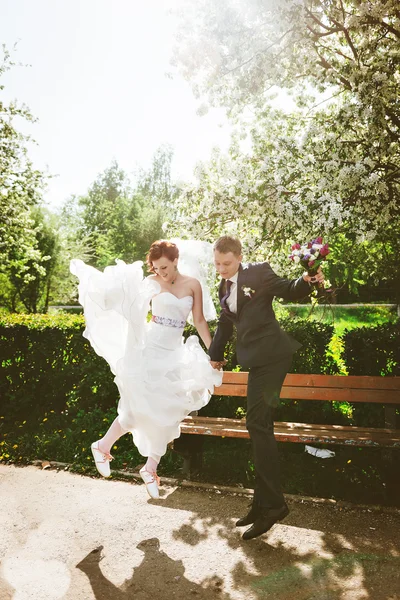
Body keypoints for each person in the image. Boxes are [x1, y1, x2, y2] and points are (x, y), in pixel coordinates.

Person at [70, 240, 222, 499]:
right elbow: (134, 311)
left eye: (164, 267)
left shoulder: (192, 285)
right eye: (156, 267)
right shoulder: (151, 283)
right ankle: (104, 446)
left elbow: (198, 321)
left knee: (170, 414)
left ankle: (147, 466)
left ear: (175, 260)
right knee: (137, 408)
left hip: (175, 354)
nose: (161, 272)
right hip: (150, 351)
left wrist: (214, 353)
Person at [209, 236, 324, 540]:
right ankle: (261, 505)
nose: (221, 269)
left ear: (239, 256)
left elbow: (288, 289)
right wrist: (215, 355)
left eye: (227, 263)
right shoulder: (223, 287)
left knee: (257, 424)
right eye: (217, 263)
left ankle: (274, 506)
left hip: (274, 357)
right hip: (257, 363)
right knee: (259, 426)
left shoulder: (258, 273)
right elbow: (225, 322)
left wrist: (307, 279)